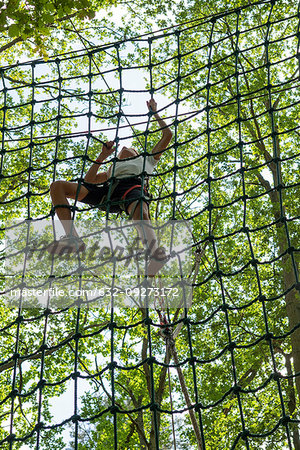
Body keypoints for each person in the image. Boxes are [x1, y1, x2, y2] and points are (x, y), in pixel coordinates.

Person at [48, 98, 172, 275]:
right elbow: (89, 181)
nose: (124, 148)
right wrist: (102, 156)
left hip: (133, 187)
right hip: (109, 193)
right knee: (57, 187)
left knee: (140, 213)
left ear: (137, 153)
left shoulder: (148, 160)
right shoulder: (110, 170)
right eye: (121, 150)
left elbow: (167, 135)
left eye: (130, 148)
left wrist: (155, 114)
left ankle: (155, 255)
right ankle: (73, 237)